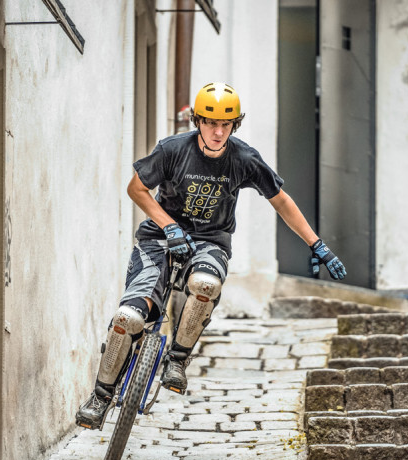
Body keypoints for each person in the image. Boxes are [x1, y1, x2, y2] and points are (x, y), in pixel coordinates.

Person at [75, 82, 346, 430]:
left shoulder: (244, 159)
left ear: (235, 125)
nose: (218, 132)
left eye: (226, 125)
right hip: (159, 239)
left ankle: (177, 360)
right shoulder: (173, 149)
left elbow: (280, 200)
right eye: (210, 123)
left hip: (210, 242)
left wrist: (316, 244)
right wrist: (169, 226)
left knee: (205, 283)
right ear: (197, 120)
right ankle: (100, 397)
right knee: (128, 317)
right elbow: (136, 188)